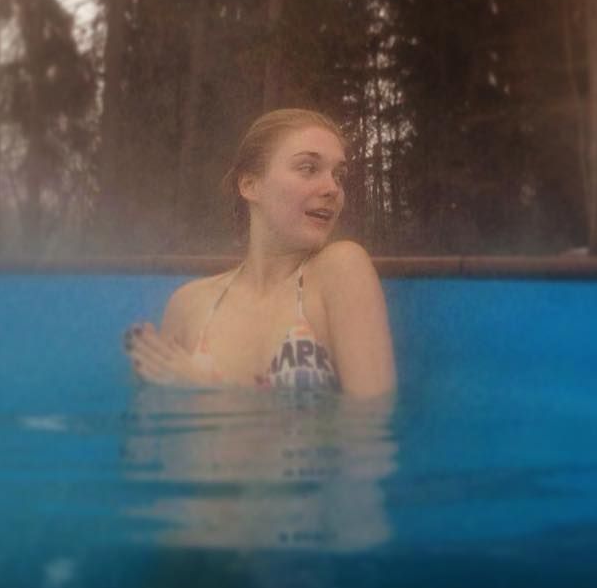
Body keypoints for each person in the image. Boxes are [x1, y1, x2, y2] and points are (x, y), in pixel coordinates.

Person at [122, 108, 396, 399]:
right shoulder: (189, 304)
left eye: (338, 175)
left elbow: (371, 418)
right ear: (250, 185)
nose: (332, 188)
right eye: (308, 168)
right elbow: (159, 418)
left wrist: (206, 387)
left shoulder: (341, 270)